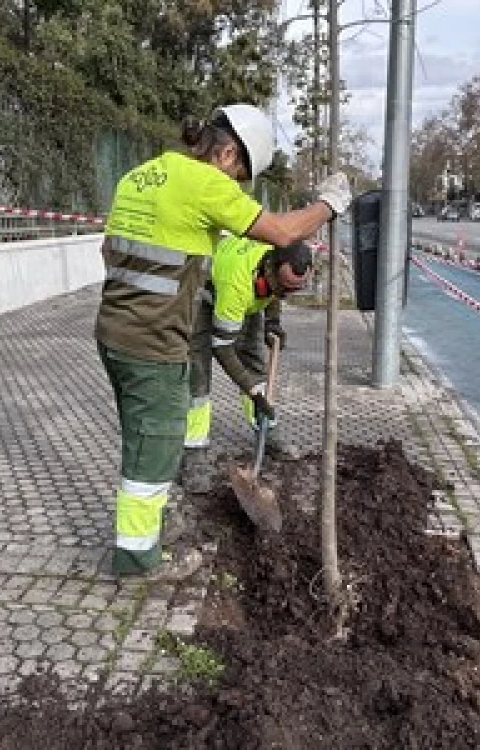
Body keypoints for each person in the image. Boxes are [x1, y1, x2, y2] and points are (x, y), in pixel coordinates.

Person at [95, 102, 352, 581]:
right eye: (240, 176)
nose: (234, 189)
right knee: (156, 444)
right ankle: (135, 560)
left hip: (113, 330)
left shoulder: (139, 175)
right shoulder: (205, 182)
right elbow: (281, 231)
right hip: (153, 341)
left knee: (142, 437)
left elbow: (108, 249)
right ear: (228, 152)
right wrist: (328, 205)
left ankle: (147, 532)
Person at [182, 235, 313, 493]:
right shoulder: (237, 284)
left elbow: (276, 293)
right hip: (202, 297)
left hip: (247, 295)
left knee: (254, 362)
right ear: (270, 269)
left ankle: (267, 430)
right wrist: (253, 391)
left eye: (294, 290)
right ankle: (193, 454)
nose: (286, 295)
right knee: (198, 376)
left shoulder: (276, 254)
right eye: (284, 287)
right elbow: (223, 349)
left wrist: (273, 321)